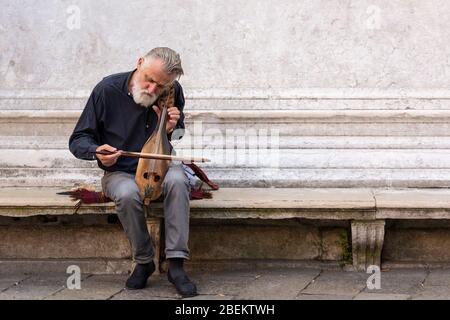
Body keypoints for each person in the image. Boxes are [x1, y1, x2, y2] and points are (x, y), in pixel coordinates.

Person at [68, 47, 197, 297]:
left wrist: (172, 128)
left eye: (159, 86)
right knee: (127, 193)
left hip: (160, 168)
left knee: (179, 179)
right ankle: (144, 261)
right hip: (120, 171)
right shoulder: (107, 90)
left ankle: (177, 265)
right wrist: (97, 152)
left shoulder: (172, 90)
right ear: (139, 63)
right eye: (149, 80)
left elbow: (180, 135)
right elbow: (78, 139)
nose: (152, 89)